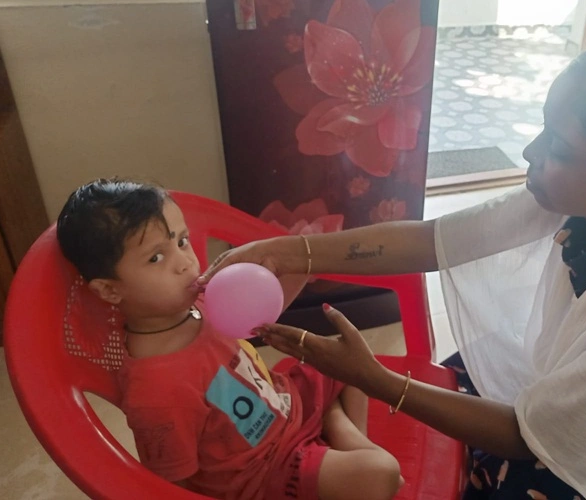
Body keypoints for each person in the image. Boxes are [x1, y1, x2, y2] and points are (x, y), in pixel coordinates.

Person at [199, 35, 586, 499]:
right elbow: (432, 241)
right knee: (472, 372)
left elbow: (528, 438)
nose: (531, 152)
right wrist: (289, 252)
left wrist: (375, 380)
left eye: (559, 147)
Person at [56, 179, 403, 500]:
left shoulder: (199, 302)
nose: (185, 263)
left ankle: (340, 436)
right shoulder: (156, 391)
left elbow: (264, 313)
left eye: (181, 241)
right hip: (267, 472)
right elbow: (170, 485)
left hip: (286, 402)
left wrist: (301, 263)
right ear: (109, 290)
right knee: (381, 473)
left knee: (350, 362)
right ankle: (341, 437)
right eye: (156, 257)